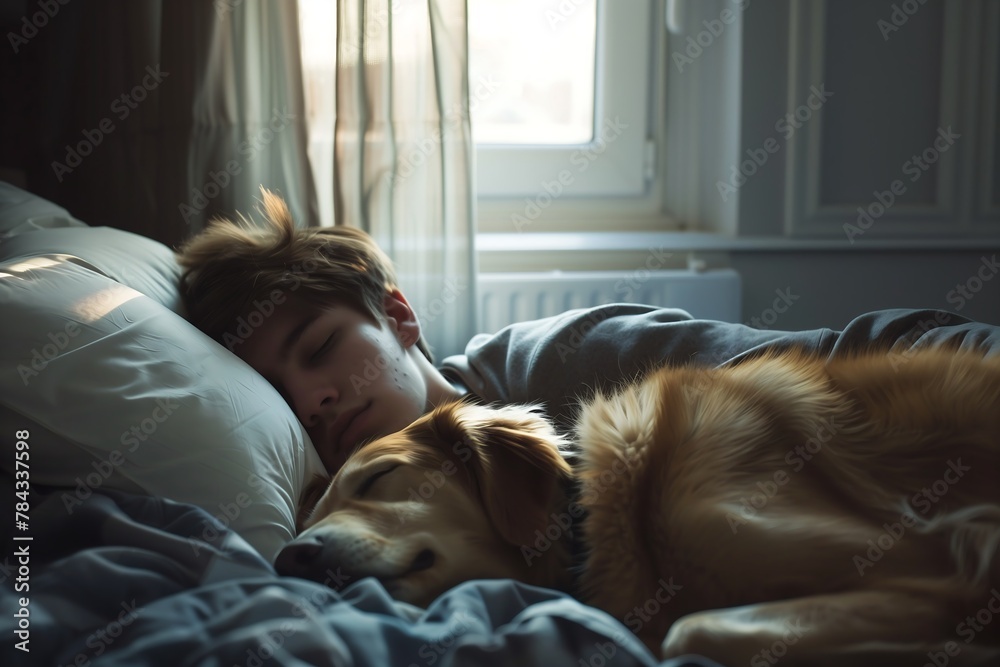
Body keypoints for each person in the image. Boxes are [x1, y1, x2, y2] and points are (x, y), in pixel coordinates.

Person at [177, 191, 1000, 474]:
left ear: (397, 316)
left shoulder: (569, 360)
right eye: (285, 394)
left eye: (319, 348)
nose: (315, 398)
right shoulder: (347, 512)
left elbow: (830, 361)